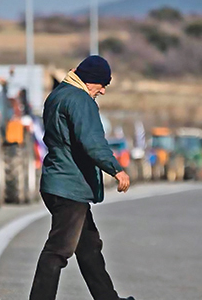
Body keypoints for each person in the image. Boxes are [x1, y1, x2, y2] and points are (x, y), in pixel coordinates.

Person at [30, 56, 134, 300]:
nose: (104, 90)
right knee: (58, 250)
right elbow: (92, 141)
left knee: (89, 248)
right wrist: (116, 169)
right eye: (102, 84)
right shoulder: (80, 100)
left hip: (58, 182)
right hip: (70, 186)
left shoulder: (58, 94)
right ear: (90, 81)